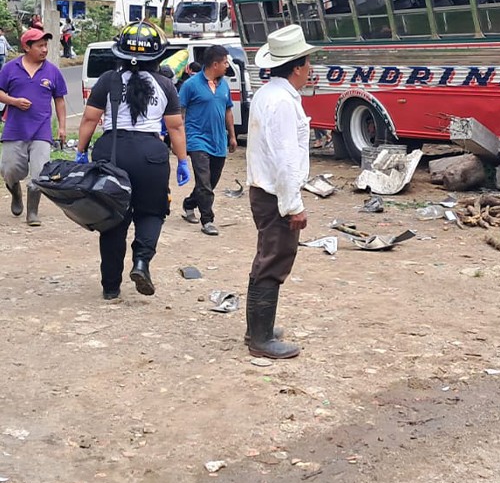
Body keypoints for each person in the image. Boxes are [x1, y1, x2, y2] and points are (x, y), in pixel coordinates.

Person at [76, 22, 191, 300]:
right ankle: (141, 262)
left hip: (112, 152)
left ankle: (111, 287)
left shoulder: (107, 80)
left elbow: (90, 119)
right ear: (157, 57)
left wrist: (80, 151)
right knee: (151, 212)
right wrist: (183, 161)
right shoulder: (165, 84)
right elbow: (175, 127)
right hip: (151, 155)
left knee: (113, 219)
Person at [245, 24, 319, 359]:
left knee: (266, 256)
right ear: (298, 67)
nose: (310, 70)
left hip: (263, 189)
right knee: (275, 259)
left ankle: (258, 328)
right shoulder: (284, 102)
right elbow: (286, 161)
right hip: (275, 193)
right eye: (307, 64)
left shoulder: (267, 94)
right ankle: (260, 338)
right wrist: (294, 206)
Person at [0, 28, 67, 226]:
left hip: (41, 130)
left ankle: (32, 212)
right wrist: (14, 101)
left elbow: (60, 101)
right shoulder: (10, 69)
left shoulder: (52, 71)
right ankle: (16, 193)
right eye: (40, 46)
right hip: (15, 128)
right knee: (9, 170)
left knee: (40, 172)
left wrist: (62, 127)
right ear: (27, 47)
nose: (44, 49)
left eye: (46, 45)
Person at [178, 45, 237, 236]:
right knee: (204, 182)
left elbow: (228, 110)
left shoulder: (224, 85)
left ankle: (189, 203)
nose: (227, 66)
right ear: (215, 64)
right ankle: (208, 220)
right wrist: (179, 139)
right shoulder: (190, 85)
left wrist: (232, 136)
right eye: (225, 62)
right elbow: (180, 111)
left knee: (211, 182)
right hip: (197, 140)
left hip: (218, 140)